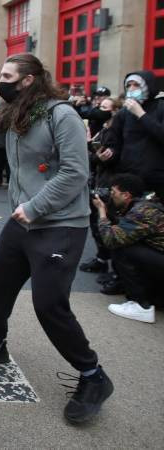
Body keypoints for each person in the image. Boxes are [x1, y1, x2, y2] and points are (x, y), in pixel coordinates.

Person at [0, 53, 113, 425]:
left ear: (29, 80)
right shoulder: (14, 113)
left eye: (6, 75)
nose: (0, 81)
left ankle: (93, 375)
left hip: (60, 225)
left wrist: (34, 207)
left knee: (49, 305)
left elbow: (75, 172)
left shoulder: (60, 115)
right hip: (23, 223)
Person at [92, 173, 163, 323]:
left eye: (113, 192)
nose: (110, 195)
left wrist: (102, 212)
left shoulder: (141, 212)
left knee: (123, 249)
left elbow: (111, 240)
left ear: (126, 195)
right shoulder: (145, 202)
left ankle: (142, 306)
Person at [79, 97, 123, 276]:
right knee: (95, 222)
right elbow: (95, 153)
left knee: (104, 220)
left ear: (113, 111)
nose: (99, 110)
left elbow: (107, 157)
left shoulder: (115, 131)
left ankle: (112, 266)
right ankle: (102, 259)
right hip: (97, 178)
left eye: (104, 107)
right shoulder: (102, 128)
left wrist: (93, 152)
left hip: (107, 182)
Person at [103, 71, 164, 201]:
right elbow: (115, 143)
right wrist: (109, 153)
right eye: (128, 85)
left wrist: (141, 114)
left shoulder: (161, 107)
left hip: (156, 179)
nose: (131, 89)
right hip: (129, 178)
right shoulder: (123, 113)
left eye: (136, 85)